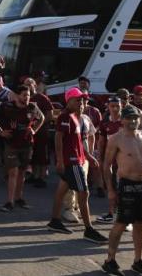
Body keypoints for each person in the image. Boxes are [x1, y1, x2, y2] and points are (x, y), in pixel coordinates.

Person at [45, 87, 107, 244]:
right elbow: (58, 138)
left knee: (62, 190)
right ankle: (89, 230)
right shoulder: (65, 117)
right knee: (83, 193)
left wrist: (88, 156)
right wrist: (59, 160)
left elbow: (78, 142)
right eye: (78, 100)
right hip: (71, 162)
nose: (81, 103)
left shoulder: (76, 117)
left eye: (82, 100)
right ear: (69, 101)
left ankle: (55, 221)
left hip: (76, 160)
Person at [102, 104, 142, 276]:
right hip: (126, 185)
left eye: (135, 118)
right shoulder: (116, 139)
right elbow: (106, 166)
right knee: (120, 224)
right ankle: (110, 260)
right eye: (129, 118)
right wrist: (110, 190)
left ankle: (138, 261)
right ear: (122, 119)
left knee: (140, 225)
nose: (133, 121)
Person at [0, 84, 44, 212]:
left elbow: (41, 118)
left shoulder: (32, 107)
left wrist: (34, 130)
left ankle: (19, 198)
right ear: (17, 95)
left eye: (29, 95)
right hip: (11, 144)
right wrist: (0, 131)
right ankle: (10, 201)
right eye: (24, 95)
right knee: (13, 172)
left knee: (22, 172)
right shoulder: (7, 106)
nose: (27, 98)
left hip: (27, 144)